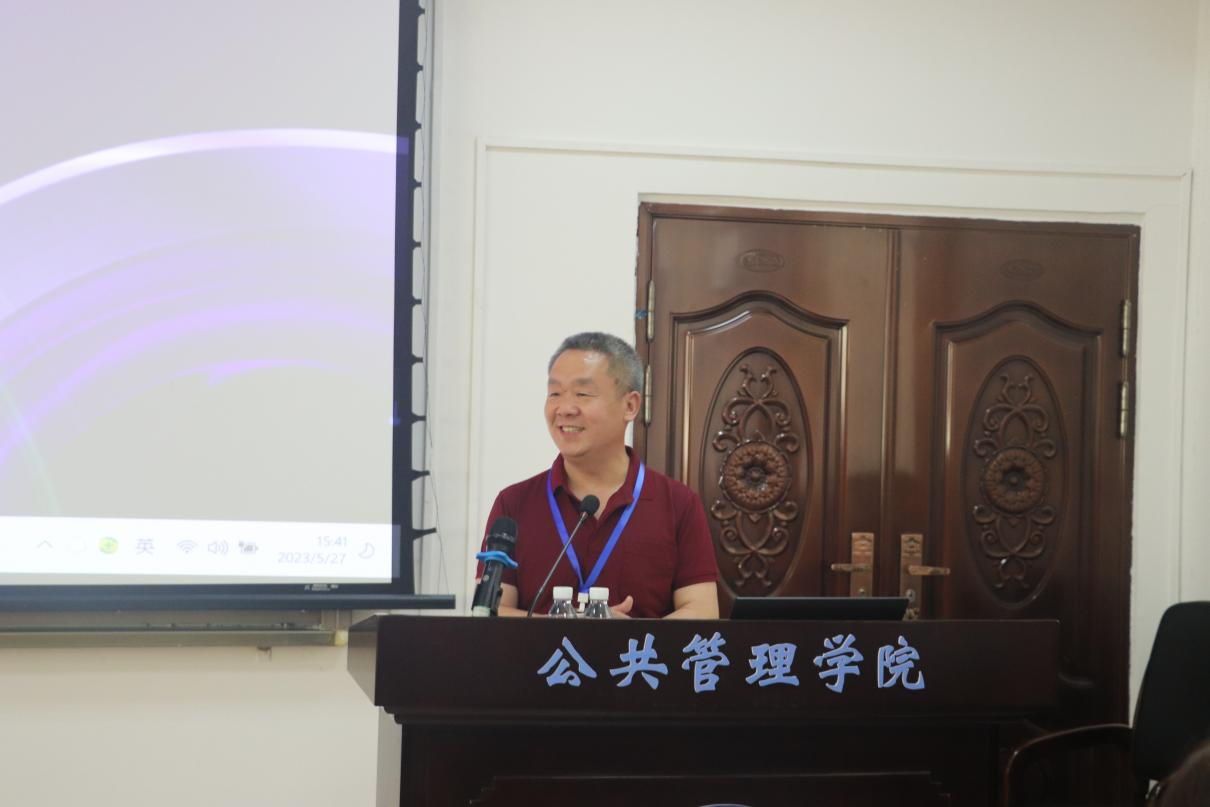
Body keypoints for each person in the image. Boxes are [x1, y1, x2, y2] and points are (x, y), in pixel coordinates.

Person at [476, 332, 719, 618]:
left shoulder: (678, 503)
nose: (565, 409)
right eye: (555, 393)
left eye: (583, 394)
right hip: (542, 651)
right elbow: (488, 612)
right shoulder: (514, 504)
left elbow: (703, 610)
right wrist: (563, 627)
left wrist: (627, 635)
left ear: (630, 406)